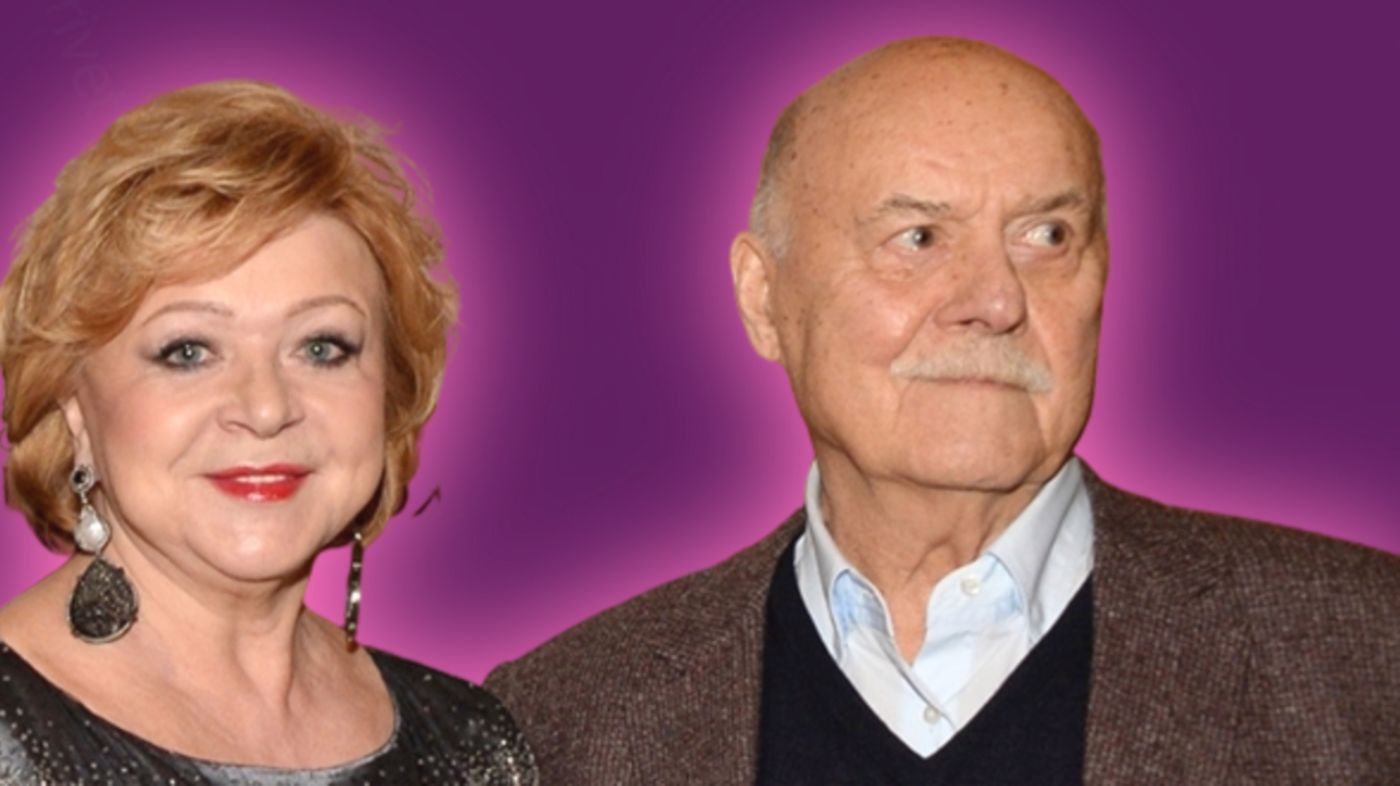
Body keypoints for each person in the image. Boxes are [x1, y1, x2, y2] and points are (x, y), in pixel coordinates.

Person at [484, 37, 1400, 784]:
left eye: (1047, 236)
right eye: (918, 237)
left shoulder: (1366, 652)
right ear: (764, 299)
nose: (995, 300)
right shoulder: (565, 721)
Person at [0, 81, 536, 785]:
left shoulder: (475, 742)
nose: (264, 408)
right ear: (73, 405)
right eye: (189, 351)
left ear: (388, 398)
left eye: (321, 347)